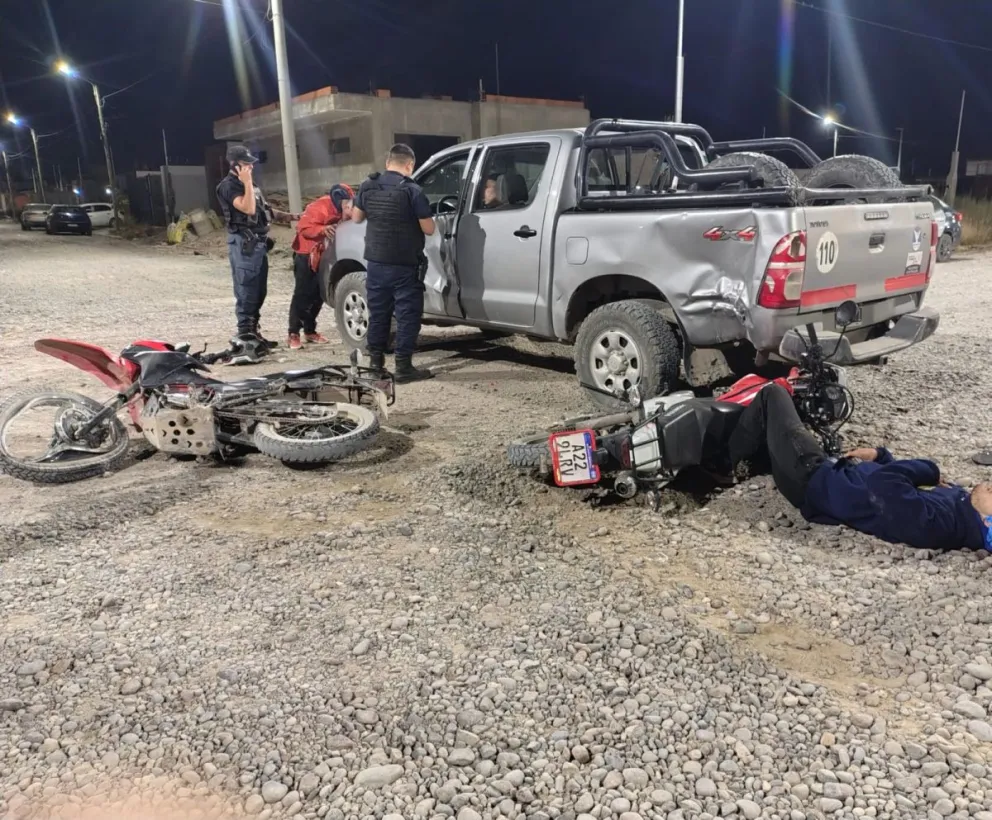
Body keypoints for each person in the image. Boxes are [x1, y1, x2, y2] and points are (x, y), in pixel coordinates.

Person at [728, 383, 992, 551]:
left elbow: (885, 486)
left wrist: (930, 470)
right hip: (836, 471)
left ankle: (719, 466)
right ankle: (751, 452)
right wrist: (881, 457)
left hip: (812, 480)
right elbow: (904, 488)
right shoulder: (962, 504)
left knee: (772, 395)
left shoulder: (940, 526)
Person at [352, 143, 436, 384]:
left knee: (379, 314)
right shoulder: (412, 190)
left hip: (376, 263)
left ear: (388, 162)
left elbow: (356, 218)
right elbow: (428, 229)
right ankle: (403, 367)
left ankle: (375, 366)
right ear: (410, 165)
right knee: (408, 315)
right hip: (404, 265)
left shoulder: (368, 185)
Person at [215, 144, 298, 353]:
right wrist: (247, 182)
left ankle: (254, 333)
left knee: (259, 291)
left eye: (251, 165)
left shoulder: (251, 186)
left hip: (257, 245)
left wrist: (293, 217)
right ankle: (245, 338)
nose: (250, 168)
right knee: (246, 291)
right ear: (234, 165)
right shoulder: (229, 186)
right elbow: (248, 208)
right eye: (246, 165)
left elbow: (263, 210)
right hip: (244, 245)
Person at [287, 183, 355, 350]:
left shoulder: (346, 209)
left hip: (324, 254)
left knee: (319, 293)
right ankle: (293, 333)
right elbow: (303, 228)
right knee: (302, 293)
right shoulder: (319, 207)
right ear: (343, 204)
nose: (352, 212)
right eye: (349, 208)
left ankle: (310, 331)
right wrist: (322, 229)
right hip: (306, 254)